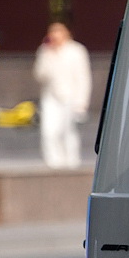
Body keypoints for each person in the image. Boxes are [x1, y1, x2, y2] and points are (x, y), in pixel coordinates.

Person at [33, 21, 92, 169]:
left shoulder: (77, 51)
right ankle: (53, 163)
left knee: (68, 131)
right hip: (51, 96)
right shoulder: (44, 51)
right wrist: (48, 55)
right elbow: (40, 75)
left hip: (71, 96)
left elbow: (83, 77)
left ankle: (71, 163)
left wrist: (82, 101)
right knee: (49, 131)